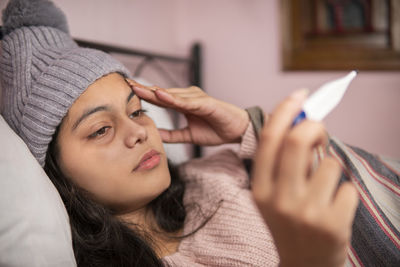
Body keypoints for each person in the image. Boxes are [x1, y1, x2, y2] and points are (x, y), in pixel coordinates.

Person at [1, 0, 398, 266]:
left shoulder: (219, 174)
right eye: (101, 129)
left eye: (137, 110)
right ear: (52, 173)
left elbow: (355, 179)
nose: (139, 131)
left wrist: (245, 124)